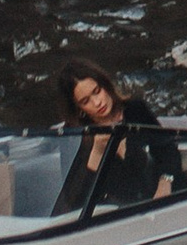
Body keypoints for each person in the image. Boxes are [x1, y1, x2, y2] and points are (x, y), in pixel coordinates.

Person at [55, 62, 177, 212]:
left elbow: (168, 149)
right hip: (112, 216)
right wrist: (97, 153)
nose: (97, 102)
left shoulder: (135, 109)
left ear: (105, 85)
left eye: (97, 91)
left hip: (157, 203)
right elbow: (73, 199)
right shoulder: (72, 135)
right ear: (79, 109)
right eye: (85, 101)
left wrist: (165, 183)